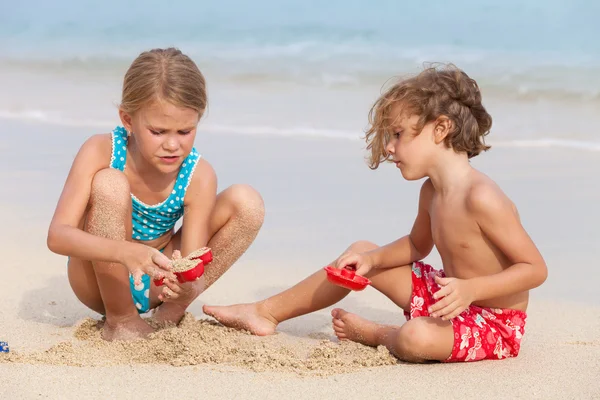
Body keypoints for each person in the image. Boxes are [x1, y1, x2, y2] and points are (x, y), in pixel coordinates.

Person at [203, 63, 547, 363]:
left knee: (416, 338)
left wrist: (471, 290)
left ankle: (378, 333)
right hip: (448, 298)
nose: (389, 147)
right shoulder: (431, 191)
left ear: (441, 129)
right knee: (359, 253)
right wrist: (371, 260)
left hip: (493, 322)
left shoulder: (482, 196)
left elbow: (534, 269)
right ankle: (266, 312)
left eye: (398, 134)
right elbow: (417, 245)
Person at [47, 48, 265, 341]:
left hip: (156, 283)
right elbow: (57, 236)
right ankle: (121, 318)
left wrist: (189, 286)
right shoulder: (101, 150)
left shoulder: (198, 176)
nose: (173, 145)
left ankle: (169, 314)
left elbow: (190, 259)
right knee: (110, 183)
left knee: (246, 202)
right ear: (128, 119)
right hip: (100, 280)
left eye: (185, 131)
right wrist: (126, 252)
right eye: (158, 131)